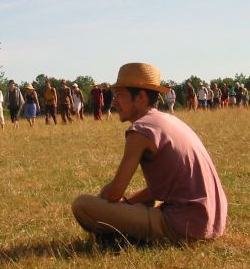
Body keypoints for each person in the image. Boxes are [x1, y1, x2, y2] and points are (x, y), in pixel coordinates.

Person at [71, 62, 228, 245]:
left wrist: (106, 202)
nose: (114, 101)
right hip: (212, 221)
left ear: (141, 97)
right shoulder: (169, 120)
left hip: (182, 226)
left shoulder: (141, 130)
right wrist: (128, 204)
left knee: (82, 205)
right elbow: (156, 191)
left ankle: (117, 237)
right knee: (142, 203)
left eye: (120, 95)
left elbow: (114, 193)